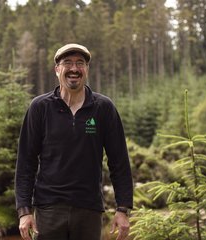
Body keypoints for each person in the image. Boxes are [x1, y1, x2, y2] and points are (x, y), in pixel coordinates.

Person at [14, 43, 133, 240]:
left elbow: (119, 161)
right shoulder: (40, 108)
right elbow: (26, 162)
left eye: (80, 63)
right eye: (67, 63)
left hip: (89, 210)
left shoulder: (103, 108)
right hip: (49, 209)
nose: (74, 68)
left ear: (86, 70)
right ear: (57, 70)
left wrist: (123, 209)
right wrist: (24, 210)